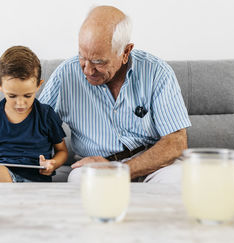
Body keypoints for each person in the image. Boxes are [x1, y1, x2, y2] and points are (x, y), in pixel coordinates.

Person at [38, 6, 191, 183]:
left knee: (179, 180)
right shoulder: (65, 74)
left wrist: (121, 170)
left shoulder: (157, 72)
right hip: (95, 168)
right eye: (82, 56)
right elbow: (35, 125)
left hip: (155, 165)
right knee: (84, 181)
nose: (87, 70)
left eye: (98, 62)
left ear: (125, 52)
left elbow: (176, 143)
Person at [0, 46, 68, 182]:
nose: (20, 103)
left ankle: (14, 197)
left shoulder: (46, 115)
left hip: (36, 178)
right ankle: (12, 197)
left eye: (27, 95)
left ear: (38, 85)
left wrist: (52, 164)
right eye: (12, 96)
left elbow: (62, 151)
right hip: (1, 173)